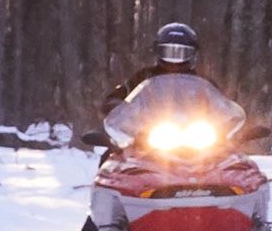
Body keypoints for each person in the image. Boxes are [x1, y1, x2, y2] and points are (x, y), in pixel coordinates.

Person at [102, 23, 243, 155]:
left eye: (182, 53)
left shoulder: (203, 82)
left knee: (230, 158)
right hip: (150, 139)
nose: (175, 59)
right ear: (158, 51)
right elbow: (118, 97)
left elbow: (220, 105)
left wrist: (225, 117)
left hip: (197, 141)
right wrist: (116, 106)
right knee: (113, 157)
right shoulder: (142, 77)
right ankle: (106, 181)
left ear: (193, 54)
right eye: (168, 51)